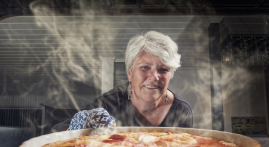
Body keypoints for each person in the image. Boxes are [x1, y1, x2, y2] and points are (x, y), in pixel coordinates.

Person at [52, 31, 193, 132]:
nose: (154, 76)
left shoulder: (181, 111)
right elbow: (56, 134)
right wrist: (78, 127)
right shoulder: (109, 104)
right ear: (130, 73)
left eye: (163, 69)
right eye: (144, 67)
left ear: (171, 75)